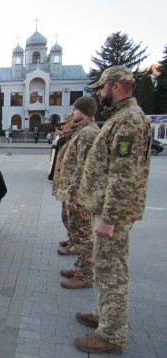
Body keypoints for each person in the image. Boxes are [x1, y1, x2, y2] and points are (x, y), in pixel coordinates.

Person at [74, 66, 151, 354]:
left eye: (101, 87)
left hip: (113, 216)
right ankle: (105, 315)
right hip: (108, 211)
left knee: (111, 271)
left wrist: (109, 218)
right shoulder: (121, 118)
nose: (98, 93)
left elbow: (123, 175)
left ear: (116, 86)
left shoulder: (128, 121)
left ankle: (111, 334)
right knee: (107, 268)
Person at [59, 96, 99, 289]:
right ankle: (80, 268)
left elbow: (83, 167)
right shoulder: (82, 131)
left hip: (81, 196)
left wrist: (73, 195)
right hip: (77, 193)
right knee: (80, 234)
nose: (72, 113)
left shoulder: (88, 134)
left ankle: (85, 275)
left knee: (84, 237)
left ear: (82, 111)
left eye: (74, 109)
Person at [51, 115, 75, 254]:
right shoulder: (68, 139)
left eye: (65, 124)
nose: (62, 127)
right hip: (66, 188)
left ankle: (75, 244)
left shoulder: (80, 137)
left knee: (73, 220)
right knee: (67, 217)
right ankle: (72, 239)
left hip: (72, 190)